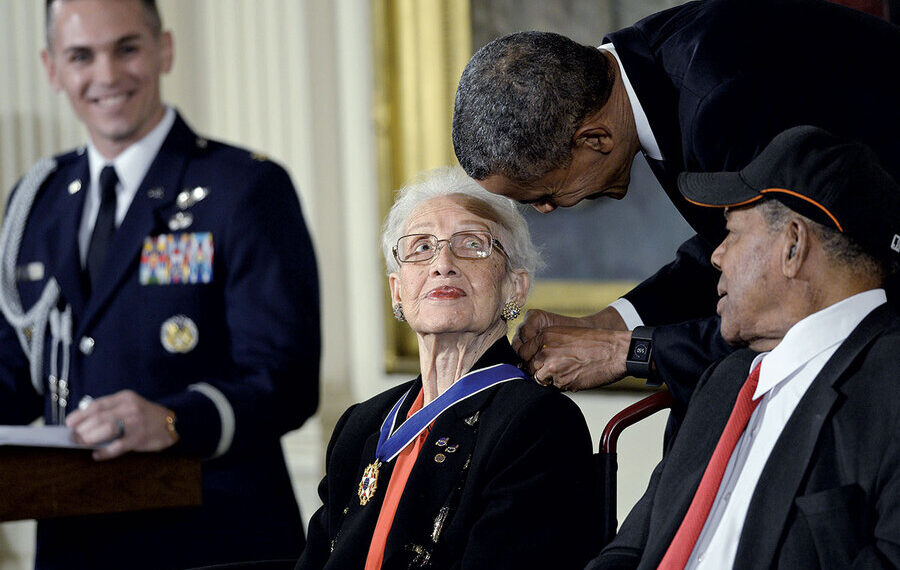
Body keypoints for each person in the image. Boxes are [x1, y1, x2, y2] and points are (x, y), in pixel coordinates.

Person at [451, 0, 900, 410]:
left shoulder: (719, 96)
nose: (547, 211)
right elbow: (736, 248)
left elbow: (791, 295)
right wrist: (610, 323)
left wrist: (626, 351)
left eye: (545, 194)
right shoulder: (644, 73)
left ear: (595, 139)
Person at [0, 0, 320, 567]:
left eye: (126, 48)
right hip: (75, 542)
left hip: (211, 539)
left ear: (163, 50)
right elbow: (16, 371)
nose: (106, 75)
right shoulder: (36, 200)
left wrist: (174, 420)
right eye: (81, 56)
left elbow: (286, 380)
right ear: (52, 69)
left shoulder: (243, 187)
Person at [587, 125, 900, 569]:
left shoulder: (888, 385)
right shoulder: (726, 379)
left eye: (731, 232)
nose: (716, 255)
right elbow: (632, 548)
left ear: (792, 246)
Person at [296, 167, 600, 570]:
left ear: (514, 287)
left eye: (472, 244)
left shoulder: (538, 424)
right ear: (397, 291)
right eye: (421, 247)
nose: (443, 263)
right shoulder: (361, 424)